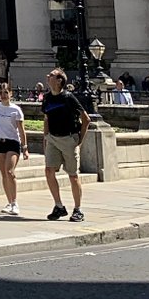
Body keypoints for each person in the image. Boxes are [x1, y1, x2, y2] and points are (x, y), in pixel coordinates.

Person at [42, 67, 91, 222]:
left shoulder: (68, 97)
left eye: (51, 75)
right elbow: (46, 118)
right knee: (49, 171)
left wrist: (79, 141)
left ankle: (78, 209)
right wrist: (46, 137)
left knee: (73, 175)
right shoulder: (47, 98)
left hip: (69, 139)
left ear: (59, 81)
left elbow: (86, 119)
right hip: (53, 139)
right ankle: (59, 206)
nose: (48, 76)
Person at [0, 82, 29, 215]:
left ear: (11, 93)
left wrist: (25, 147)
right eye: (1, 93)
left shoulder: (16, 109)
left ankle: (15, 202)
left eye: (6, 92)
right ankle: (9, 201)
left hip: (13, 142)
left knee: (10, 171)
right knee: (3, 173)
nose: (3, 95)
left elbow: (21, 129)